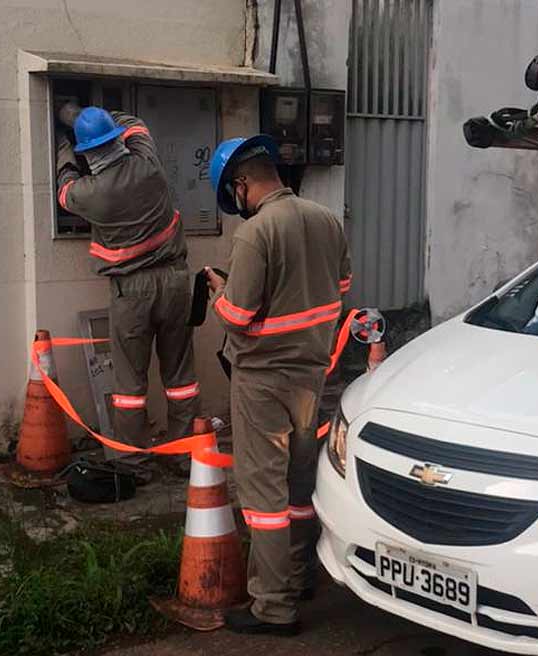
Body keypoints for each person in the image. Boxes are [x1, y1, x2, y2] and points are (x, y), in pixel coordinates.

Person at [205, 135, 352, 636]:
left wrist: (221, 293)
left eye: (235, 196)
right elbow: (342, 289)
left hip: (262, 380)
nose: (238, 207)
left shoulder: (256, 234)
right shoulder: (326, 219)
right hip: (312, 374)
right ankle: (302, 575)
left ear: (242, 183)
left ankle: (273, 605)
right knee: (298, 484)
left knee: (263, 493)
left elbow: (239, 317)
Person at [56, 107, 199, 449]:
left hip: (132, 291)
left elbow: (64, 189)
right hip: (176, 281)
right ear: (115, 140)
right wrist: (87, 114)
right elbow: (136, 126)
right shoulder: (148, 165)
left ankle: (134, 460)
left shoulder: (91, 193)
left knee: (130, 383)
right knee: (181, 378)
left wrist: (65, 136)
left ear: (88, 152)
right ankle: (181, 453)